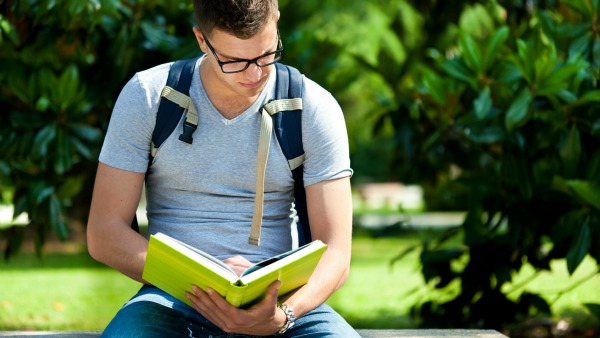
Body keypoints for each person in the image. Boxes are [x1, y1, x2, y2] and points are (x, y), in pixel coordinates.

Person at [87, 0, 358, 336]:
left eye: (266, 55)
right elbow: (104, 235)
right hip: (172, 298)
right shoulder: (149, 96)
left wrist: (283, 314)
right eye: (234, 61)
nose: (254, 74)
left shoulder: (313, 107)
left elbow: (337, 252)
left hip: (284, 302)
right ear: (202, 40)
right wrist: (202, 279)